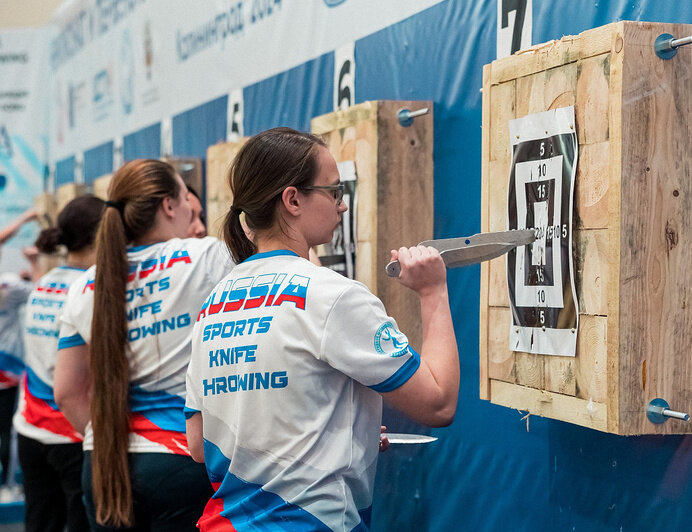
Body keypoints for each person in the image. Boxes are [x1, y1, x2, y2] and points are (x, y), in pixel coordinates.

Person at [185, 127, 459, 531]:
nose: (342, 206)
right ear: (292, 200)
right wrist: (433, 292)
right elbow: (438, 403)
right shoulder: (332, 296)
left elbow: (197, 443)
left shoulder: (214, 303)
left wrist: (339, 434)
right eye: (334, 191)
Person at [54, 159, 234, 530]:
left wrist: (111, 442)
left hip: (103, 464)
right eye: (187, 200)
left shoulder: (85, 285)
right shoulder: (208, 257)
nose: (191, 213)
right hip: (183, 462)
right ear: (169, 205)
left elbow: (67, 393)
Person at [13, 195, 105, 531]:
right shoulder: (89, 288)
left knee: (40, 520)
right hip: (69, 433)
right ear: (102, 234)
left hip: (29, 428)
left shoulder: (44, 284)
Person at [0, 207, 38, 495]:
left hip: (7, 370)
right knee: (6, 430)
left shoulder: (10, 286)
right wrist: (34, 262)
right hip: (8, 371)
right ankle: (9, 485)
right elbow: (39, 290)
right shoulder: (9, 288)